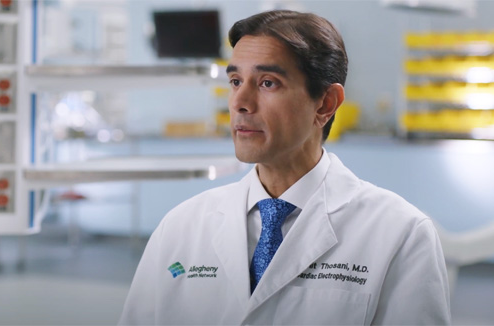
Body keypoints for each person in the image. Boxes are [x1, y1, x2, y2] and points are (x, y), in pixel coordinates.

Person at [119, 10, 450, 325]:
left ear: (325, 103)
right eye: (236, 81)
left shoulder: (401, 235)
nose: (239, 103)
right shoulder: (180, 228)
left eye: (267, 83)